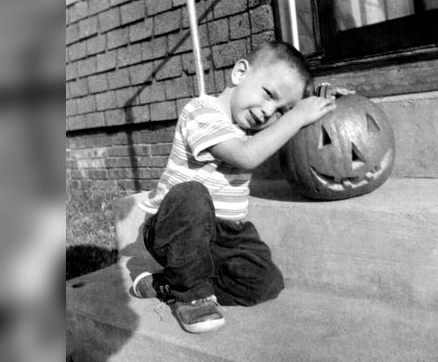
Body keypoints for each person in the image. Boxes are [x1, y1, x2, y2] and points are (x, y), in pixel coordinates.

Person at [132, 41, 348, 333]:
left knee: (266, 283)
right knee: (192, 193)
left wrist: (324, 104)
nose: (268, 111)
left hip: (225, 233)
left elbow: (274, 130)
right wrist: (297, 116)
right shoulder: (201, 111)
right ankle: (191, 296)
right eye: (268, 94)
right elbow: (246, 156)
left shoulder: (251, 129)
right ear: (239, 73)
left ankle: (169, 283)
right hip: (176, 227)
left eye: (282, 110)